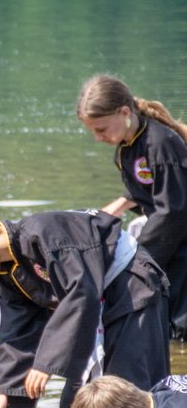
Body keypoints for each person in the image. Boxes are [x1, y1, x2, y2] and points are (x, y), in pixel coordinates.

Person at [0, 205, 170, 408]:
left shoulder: (44, 233)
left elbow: (81, 293)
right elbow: (17, 332)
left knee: (128, 392)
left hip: (132, 288)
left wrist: (46, 363)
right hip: (93, 307)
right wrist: (5, 391)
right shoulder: (8, 273)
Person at [77, 75, 187, 339]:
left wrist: (138, 258)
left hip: (180, 246)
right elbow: (144, 194)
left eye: (101, 129)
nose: (97, 138)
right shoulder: (127, 147)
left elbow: (172, 210)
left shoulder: (159, 143)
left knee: (179, 325)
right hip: (171, 244)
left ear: (124, 112)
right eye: (92, 131)